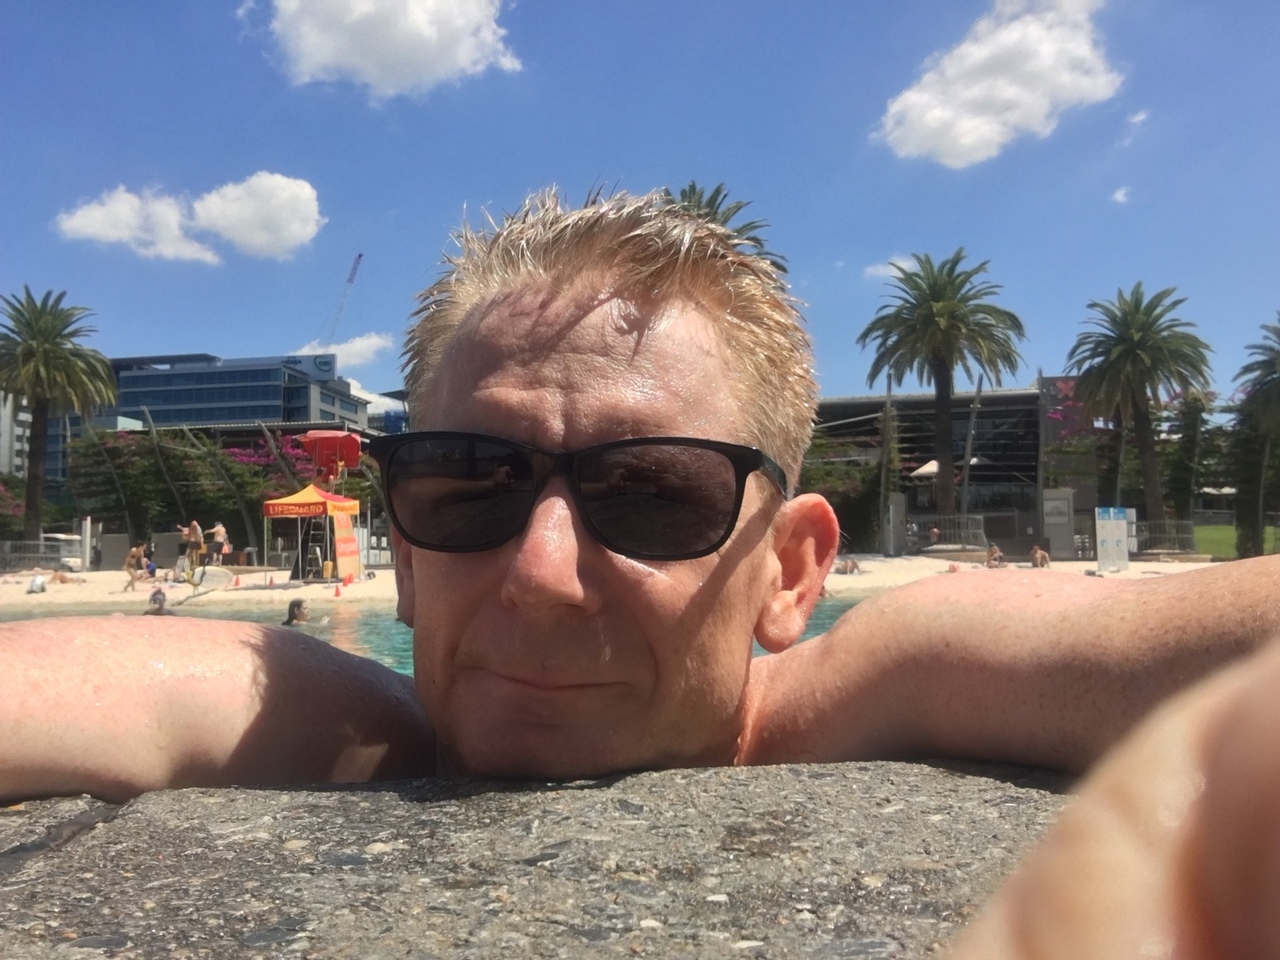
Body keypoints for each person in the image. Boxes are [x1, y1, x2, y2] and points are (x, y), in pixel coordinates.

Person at [1, 189, 1278, 955]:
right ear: (404, 555)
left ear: (791, 571)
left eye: (653, 493)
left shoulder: (901, 670)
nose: (541, 573)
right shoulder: (326, 709)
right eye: (466, 485)